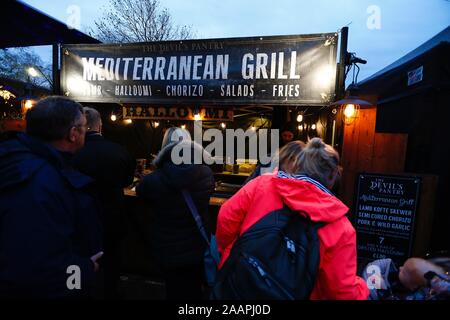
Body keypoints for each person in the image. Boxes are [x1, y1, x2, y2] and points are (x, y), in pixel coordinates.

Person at [215, 138, 369, 299]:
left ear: (299, 165)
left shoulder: (262, 184)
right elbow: (342, 293)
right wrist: (363, 286)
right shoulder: (341, 227)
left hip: (238, 287)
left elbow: (226, 217)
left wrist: (232, 255)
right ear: (333, 176)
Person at [0, 96, 103, 299]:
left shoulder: (16, 160)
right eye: (83, 126)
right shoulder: (40, 181)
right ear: (73, 134)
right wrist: (84, 269)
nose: (85, 131)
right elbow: (40, 268)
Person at [136, 127, 215, 300]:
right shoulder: (206, 174)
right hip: (197, 245)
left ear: (165, 147)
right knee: (195, 288)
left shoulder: (152, 180)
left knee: (173, 289)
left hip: (166, 247)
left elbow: (140, 194)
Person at [72, 107, 136, 299]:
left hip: (79, 219)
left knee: (78, 259)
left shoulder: (70, 152)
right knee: (112, 261)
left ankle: (78, 291)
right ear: (100, 125)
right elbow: (127, 182)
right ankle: (111, 292)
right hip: (112, 218)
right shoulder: (119, 151)